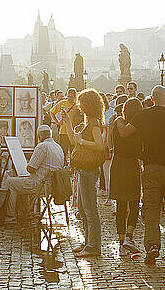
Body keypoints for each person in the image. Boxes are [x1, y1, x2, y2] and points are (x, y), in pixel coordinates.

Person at [117, 85, 165, 264]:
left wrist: (118, 120)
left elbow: (125, 133)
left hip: (150, 168)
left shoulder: (142, 115)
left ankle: (152, 245)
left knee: (151, 208)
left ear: (151, 98)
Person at [64, 89, 105, 257]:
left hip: (89, 170)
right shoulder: (87, 122)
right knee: (82, 207)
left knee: (89, 209)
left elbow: (100, 146)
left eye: (81, 103)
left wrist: (82, 141)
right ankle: (88, 241)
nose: (79, 106)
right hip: (83, 169)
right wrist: (67, 123)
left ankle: (93, 246)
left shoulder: (94, 123)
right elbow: (73, 139)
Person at [3, 125, 64, 224]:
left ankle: (10, 216)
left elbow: (30, 169)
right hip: (53, 185)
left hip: (40, 185)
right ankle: (25, 212)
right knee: (21, 182)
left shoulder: (42, 146)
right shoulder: (58, 146)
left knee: (10, 182)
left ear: (39, 136)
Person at [109, 98, 143, 256]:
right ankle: (128, 237)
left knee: (121, 205)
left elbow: (113, 141)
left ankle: (123, 242)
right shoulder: (137, 126)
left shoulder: (118, 122)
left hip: (119, 164)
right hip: (131, 164)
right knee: (133, 202)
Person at [50, 88, 80, 157]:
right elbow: (52, 112)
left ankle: (73, 165)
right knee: (63, 150)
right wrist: (57, 122)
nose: (69, 98)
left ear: (75, 97)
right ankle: (63, 164)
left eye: (71, 97)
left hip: (74, 131)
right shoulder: (63, 103)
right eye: (68, 96)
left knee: (74, 151)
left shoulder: (78, 105)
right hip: (63, 131)